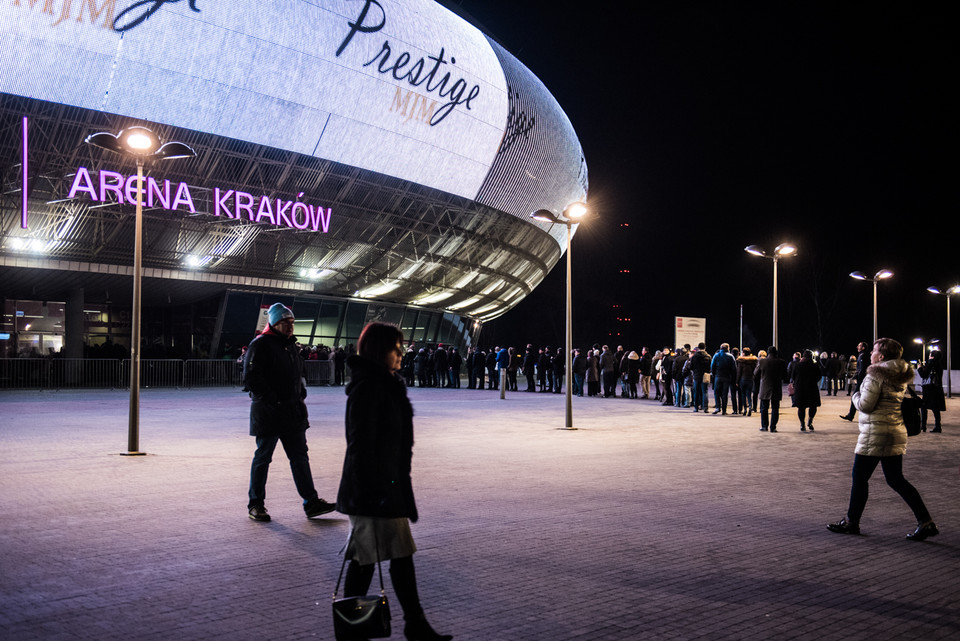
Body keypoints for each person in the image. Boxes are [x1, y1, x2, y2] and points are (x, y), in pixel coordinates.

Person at [336, 322, 452, 641]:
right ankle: (356, 630)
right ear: (378, 350)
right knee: (366, 561)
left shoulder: (385, 383)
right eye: (395, 348)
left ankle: (414, 623)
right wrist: (377, 491)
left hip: (386, 489)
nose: (401, 354)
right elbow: (360, 445)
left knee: (397, 556)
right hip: (372, 493)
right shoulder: (369, 387)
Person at [827, 338, 939, 541]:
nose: (871, 354)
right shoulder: (900, 375)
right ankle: (925, 521)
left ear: (882, 356)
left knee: (859, 478)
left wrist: (854, 396)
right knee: (896, 480)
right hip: (894, 431)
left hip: (875, 434)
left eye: (874, 350)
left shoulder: (875, 375)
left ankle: (852, 522)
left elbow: (866, 405)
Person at [244, 303, 335, 522]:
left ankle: (310, 501)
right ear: (274, 323)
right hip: (269, 413)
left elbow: (295, 375)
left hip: (292, 413)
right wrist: (273, 399)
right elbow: (251, 378)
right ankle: (256, 504)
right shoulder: (261, 344)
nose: (290, 326)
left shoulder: (291, 347)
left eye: (292, 322)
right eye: (286, 322)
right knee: (263, 457)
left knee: (299, 457)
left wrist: (300, 393)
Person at [755, 346, 787, 432]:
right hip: (776, 387)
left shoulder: (762, 361)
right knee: (775, 408)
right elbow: (785, 375)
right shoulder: (781, 362)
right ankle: (773, 427)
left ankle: (764, 426)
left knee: (764, 408)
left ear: (768, 352)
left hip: (765, 387)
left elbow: (756, 373)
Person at [792, 350, 821, 431]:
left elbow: (793, 376)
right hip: (812, 388)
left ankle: (802, 424)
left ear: (803, 356)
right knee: (813, 406)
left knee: (801, 407)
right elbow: (819, 376)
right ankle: (810, 420)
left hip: (800, 389)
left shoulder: (797, 365)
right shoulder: (815, 366)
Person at [840, 342, 870, 420]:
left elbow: (862, 368)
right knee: (856, 396)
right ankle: (851, 415)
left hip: (861, 380)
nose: (857, 347)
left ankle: (851, 415)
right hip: (862, 379)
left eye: (859, 346)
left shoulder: (863, 355)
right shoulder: (862, 355)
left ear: (863, 347)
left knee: (855, 396)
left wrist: (858, 377)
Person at [918, 349, 945, 432]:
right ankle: (938, 426)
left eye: (930, 354)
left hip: (929, 389)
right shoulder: (939, 365)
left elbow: (923, 375)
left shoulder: (930, 363)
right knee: (935, 408)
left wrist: (919, 368)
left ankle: (923, 426)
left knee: (923, 407)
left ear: (932, 356)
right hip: (937, 389)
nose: (929, 356)